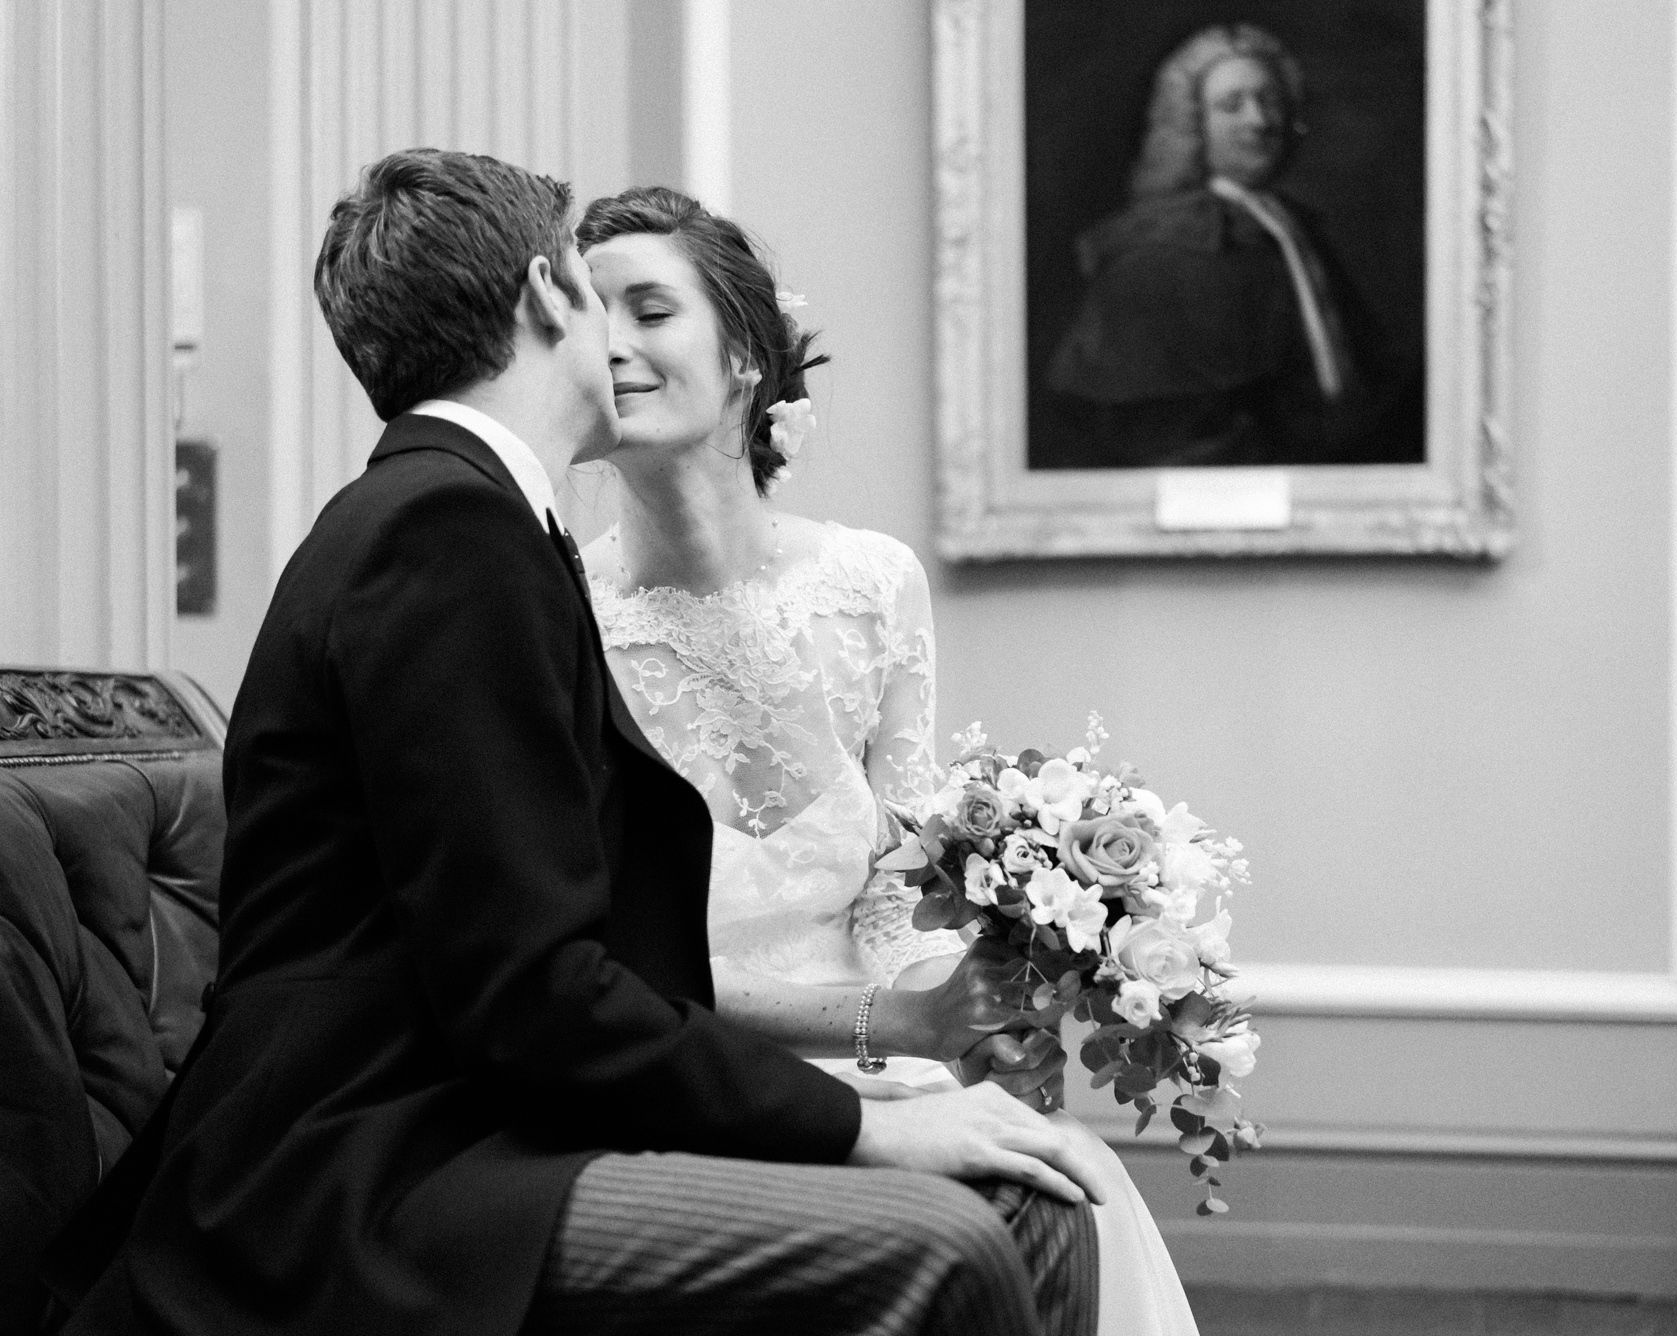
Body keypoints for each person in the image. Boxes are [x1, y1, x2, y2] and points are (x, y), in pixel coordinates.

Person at [46, 149, 1104, 1336]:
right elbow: (532, 991)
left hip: (467, 1115)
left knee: (1033, 1201)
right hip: (373, 1168)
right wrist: (866, 1122)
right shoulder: (446, 530)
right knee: (956, 1238)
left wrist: (888, 1052)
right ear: (552, 296)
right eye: (601, 296)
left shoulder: (466, 515)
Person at [573, 185, 1201, 1336]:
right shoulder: (557, 610)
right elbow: (595, 968)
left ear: (747, 355)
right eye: (585, 312)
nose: (608, 342)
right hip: (668, 1082)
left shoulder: (868, 588)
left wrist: (959, 1010)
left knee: (1063, 1181)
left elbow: (893, 882)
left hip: (876, 1060)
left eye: (648, 309)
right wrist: (881, 1024)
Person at [1044, 22, 1422, 469]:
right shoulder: (1156, 254)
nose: (1258, 121)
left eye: (1270, 100)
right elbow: (1158, 431)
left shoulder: (1295, 228)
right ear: (1192, 125)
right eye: (1231, 105)